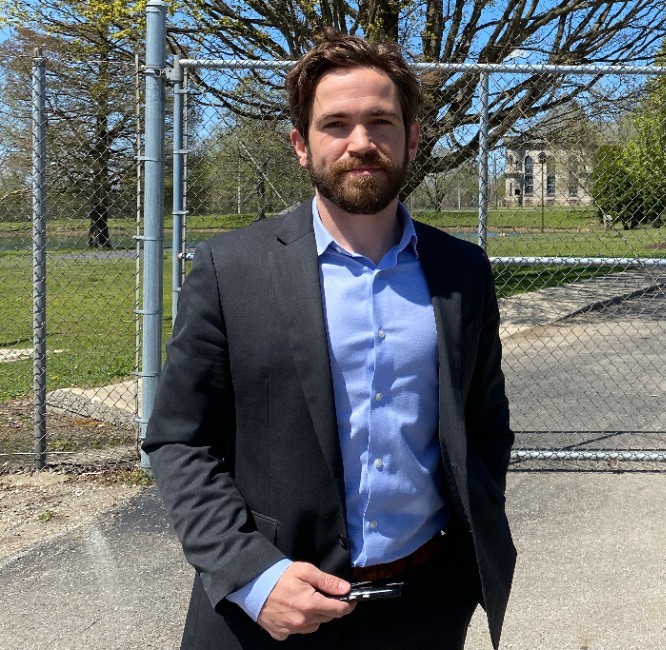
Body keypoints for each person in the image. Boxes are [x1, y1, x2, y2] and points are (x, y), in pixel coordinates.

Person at [143, 31, 515, 649]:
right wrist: (252, 575)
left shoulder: (463, 272)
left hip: (423, 608)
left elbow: (485, 424)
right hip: (268, 613)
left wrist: (460, 560)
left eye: (380, 122)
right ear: (301, 145)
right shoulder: (229, 270)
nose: (360, 142)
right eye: (336, 124)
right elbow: (180, 439)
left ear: (412, 138)